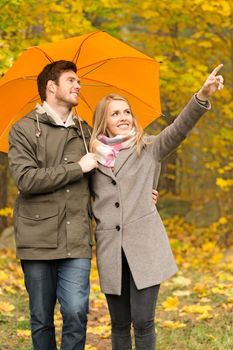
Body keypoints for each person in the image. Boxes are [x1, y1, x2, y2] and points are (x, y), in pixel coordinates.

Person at [90, 64, 224, 350]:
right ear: (104, 121)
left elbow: (178, 130)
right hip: (111, 250)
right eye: (115, 113)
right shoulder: (91, 160)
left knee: (143, 321)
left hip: (144, 247)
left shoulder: (149, 147)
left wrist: (201, 95)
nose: (124, 117)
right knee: (119, 324)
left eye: (127, 112)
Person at [8, 60, 98, 350]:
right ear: (51, 86)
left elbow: (103, 180)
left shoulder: (86, 131)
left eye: (78, 81)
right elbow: (26, 180)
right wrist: (77, 168)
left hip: (77, 238)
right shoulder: (22, 130)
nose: (78, 86)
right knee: (41, 317)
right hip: (37, 238)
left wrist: (140, 193)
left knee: (76, 312)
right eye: (71, 80)